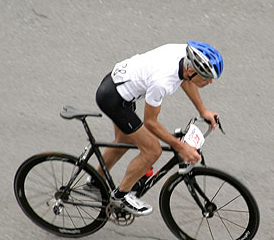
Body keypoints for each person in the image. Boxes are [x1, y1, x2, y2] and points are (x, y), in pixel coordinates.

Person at [95, 41, 223, 216]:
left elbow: (186, 80)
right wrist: (181, 147)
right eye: (206, 77)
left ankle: (95, 182)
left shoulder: (184, 57)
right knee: (152, 150)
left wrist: (203, 110)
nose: (210, 82)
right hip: (114, 99)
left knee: (123, 141)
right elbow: (150, 122)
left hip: (117, 84)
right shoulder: (162, 81)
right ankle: (121, 195)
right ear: (192, 71)